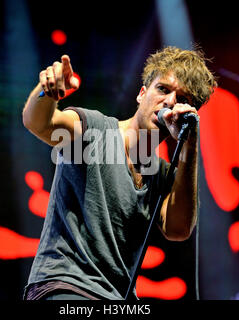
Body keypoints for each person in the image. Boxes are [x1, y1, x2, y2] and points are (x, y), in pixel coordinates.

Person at [22, 46, 216, 300]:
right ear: (141, 94)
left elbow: (178, 229)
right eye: (163, 89)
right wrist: (46, 93)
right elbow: (38, 123)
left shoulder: (162, 175)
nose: (169, 102)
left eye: (182, 99)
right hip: (64, 286)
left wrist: (190, 144)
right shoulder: (93, 129)